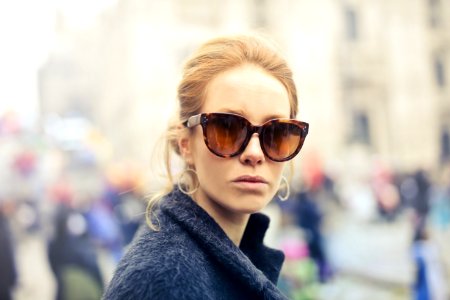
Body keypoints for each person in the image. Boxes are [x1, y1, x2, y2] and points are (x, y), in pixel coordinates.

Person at [102, 33, 309, 299]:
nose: (255, 153)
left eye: (278, 133)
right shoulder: (161, 282)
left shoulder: (209, 254)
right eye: (227, 128)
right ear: (186, 143)